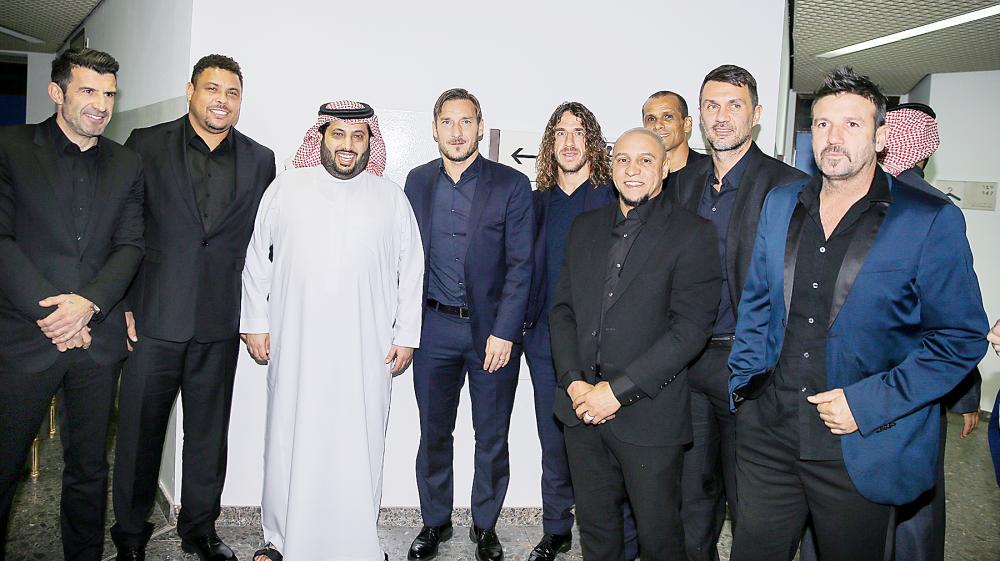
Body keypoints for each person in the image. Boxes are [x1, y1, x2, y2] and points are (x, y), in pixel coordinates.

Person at [727, 66, 988, 561]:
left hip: (860, 442)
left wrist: (866, 404)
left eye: (852, 124)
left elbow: (960, 337)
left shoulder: (928, 218)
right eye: (823, 124)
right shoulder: (781, 204)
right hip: (768, 435)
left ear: (881, 136)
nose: (834, 137)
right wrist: (744, 386)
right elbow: (757, 302)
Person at [240, 100, 424, 561]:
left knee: (359, 441)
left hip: (366, 349)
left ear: (369, 143)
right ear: (320, 136)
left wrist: (406, 334)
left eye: (358, 136)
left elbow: (412, 270)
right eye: (338, 134)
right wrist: (255, 323)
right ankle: (280, 539)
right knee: (289, 437)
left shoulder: (390, 198)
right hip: (296, 343)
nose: (348, 145)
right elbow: (257, 260)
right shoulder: (286, 188)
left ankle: (357, 541)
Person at [111, 54, 276, 561]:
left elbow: (263, 247)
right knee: (139, 435)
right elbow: (125, 228)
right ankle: (130, 534)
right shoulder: (145, 145)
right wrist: (123, 302)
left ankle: (199, 529)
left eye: (232, 93)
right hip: (154, 318)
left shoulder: (261, 160)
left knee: (208, 436)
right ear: (190, 91)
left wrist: (259, 315)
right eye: (212, 89)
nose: (222, 100)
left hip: (219, 322)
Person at [550, 127, 722, 561]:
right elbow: (563, 312)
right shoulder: (584, 228)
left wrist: (616, 392)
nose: (633, 169)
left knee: (660, 539)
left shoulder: (693, 233)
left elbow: (689, 331)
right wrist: (574, 383)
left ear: (664, 168)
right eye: (623, 159)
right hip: (581, 411)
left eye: (646, 160)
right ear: (611, 167)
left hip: (649, 417)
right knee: (597, 533)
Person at [0, 48, 144, 561]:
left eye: (109, 94)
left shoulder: (128, 163)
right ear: (56, 92)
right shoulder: (10, 147)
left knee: (88, 470)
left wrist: (89, 305)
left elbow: (131, 245)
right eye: (88, 90)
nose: (101, 104)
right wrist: (54, 315)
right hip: (24, 339)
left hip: (96, 343)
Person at [666, 64, 807, 561]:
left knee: (753, 500)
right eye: (712, 105)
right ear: (699, 115)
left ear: (757, 114)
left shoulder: (790, 187)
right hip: (688, 363)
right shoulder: (682, 184)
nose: (722, 116)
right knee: (692, 495)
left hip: (752, 367)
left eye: (734, 105)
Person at [405, 88, 533, 561]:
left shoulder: (511, 184)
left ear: (480, 127)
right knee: (433, 433)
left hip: (491, 335)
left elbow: (521, 265)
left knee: (491, 436)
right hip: (432, 329)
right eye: (447, 122)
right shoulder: (417, 182)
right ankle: (434, 522)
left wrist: (505, 331)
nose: (457, 132)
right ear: (434, 128)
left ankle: (485, 525)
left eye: (466, 122)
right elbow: (405, 258)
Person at [522, 102, 627, 561]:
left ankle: (611, 536)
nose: (569, 141)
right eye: (560, 132)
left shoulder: (611, 199)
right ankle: (556, 529)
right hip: (544, 344)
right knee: (554, 442)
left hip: (601, 347)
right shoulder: (536, 202)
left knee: (605, 447)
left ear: (593, 142)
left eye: (578, 132)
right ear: (550, 143)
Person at [641, 90, 707, 192]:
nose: (658, 125)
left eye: (668, 117)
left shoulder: (711, 171)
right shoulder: (637, 175)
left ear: (687, 124)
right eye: (651, 119)